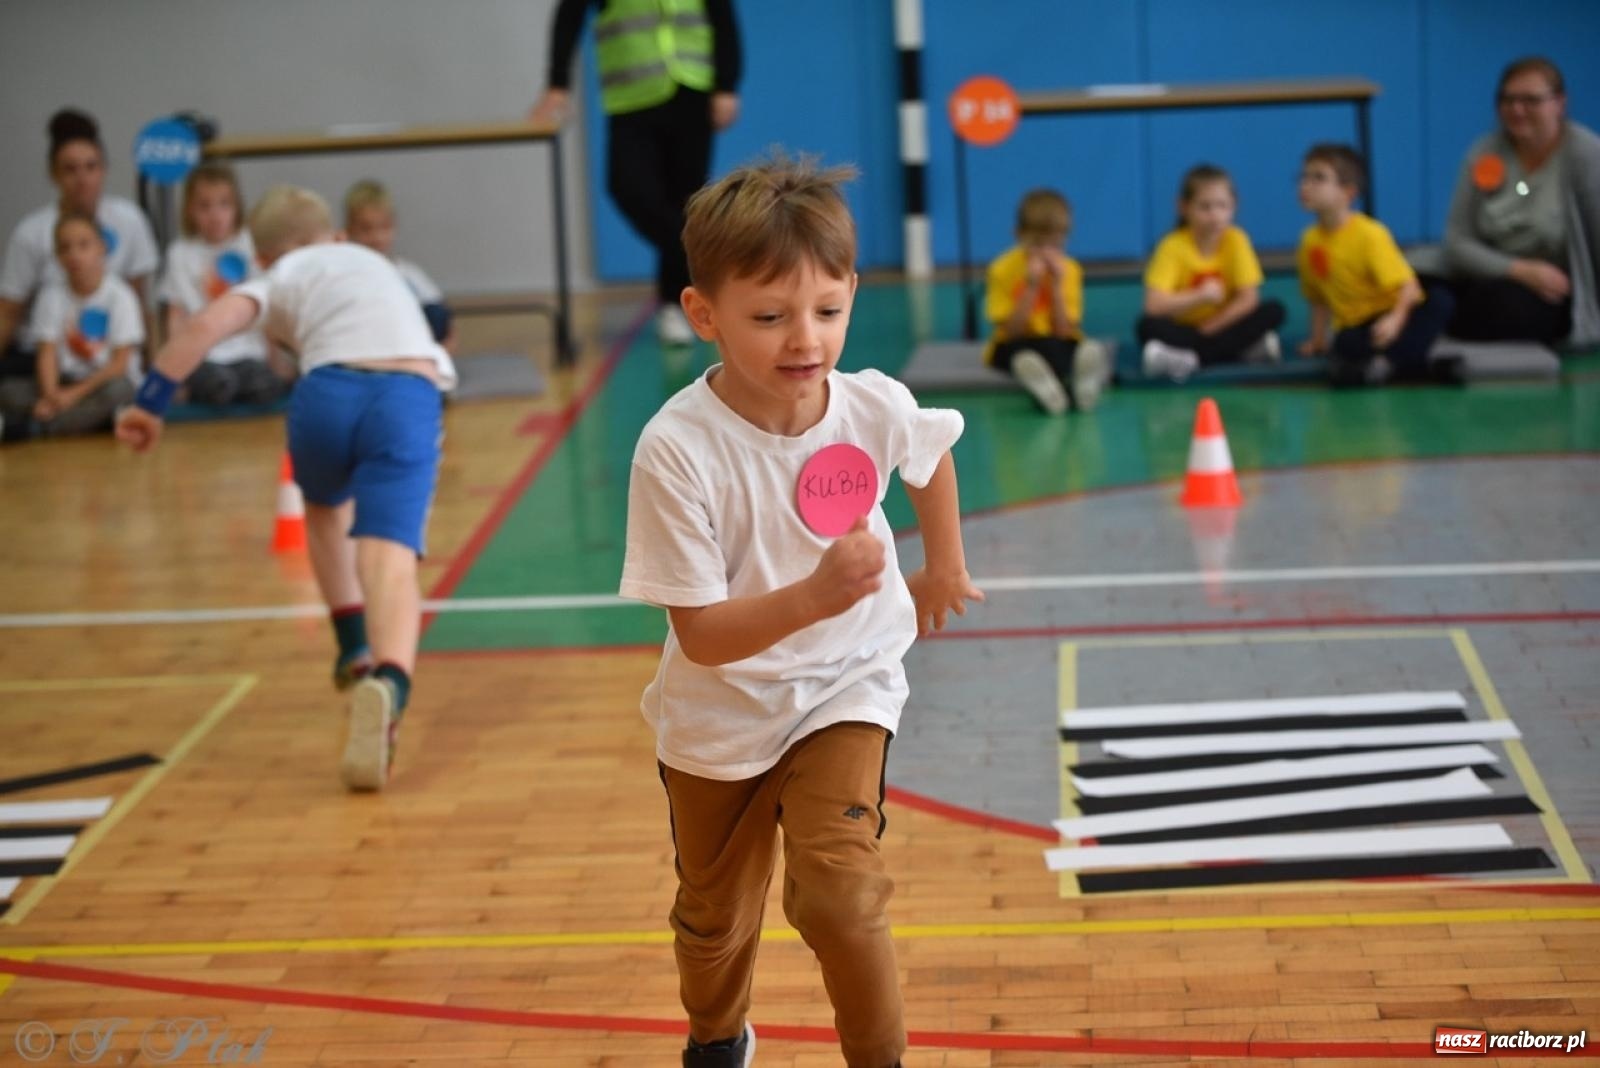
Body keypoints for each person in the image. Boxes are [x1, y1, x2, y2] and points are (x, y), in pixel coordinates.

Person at [618, 155, 982, 1068]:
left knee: (839, 895)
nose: (804, 340)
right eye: (770, 317)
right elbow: (701, 635)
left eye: (826, 311)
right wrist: (814, 593)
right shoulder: (675, 451)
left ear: (853, 293)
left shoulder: (868, 405)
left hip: (845, 685)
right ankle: (718, 1036)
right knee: (712, 921)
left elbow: (930, 453)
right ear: (704, 314)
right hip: (721, 710)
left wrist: (943, 567)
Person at [116, 186, 457, 793]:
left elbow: (204, 325)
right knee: (390, 556)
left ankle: (352, 645)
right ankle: (391, 681)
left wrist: (150, 404)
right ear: (335, 237)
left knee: (323, 509)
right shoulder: (375, 262)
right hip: (406, 391)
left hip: (324, 392)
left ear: (263, 254)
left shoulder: (274, 276)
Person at [531, 0, 741, 347]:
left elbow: (722, 17)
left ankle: (674, 303)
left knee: (687, 202)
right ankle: (708, 257)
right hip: (631, 97)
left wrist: (727, 84)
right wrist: (558, 82)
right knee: (627, 187)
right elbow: (570, 14)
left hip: (692, 91)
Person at [1439, 56, 1600, 348]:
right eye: (1507, 100)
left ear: (1559, 103)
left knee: (1505, 308)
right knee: (1415, 287)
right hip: (1490, 275)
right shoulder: (1485, 152)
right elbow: (1457, 242)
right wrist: (1521, 271)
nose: (1517, 110)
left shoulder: (1585, 155)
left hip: (1556, 290)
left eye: (1531, 100)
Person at [0, 109, 158, 380]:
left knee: (117, 387)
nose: (82, 179)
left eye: (91, 166)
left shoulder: (129, 220)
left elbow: (139, 302)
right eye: (70, 169)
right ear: (54, 174)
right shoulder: (31, 232)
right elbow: (9, 312)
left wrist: (156, 368)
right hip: (47, 354)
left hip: (105, 353)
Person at [1296, 144, 1460, 386]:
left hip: (1392, 315)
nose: (1306, 185)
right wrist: (1318, 339)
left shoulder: (1370, 235)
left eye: (1319, 178)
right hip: (1357, 327)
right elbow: (1318, 297)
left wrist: (1395, 320)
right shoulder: (1309, 241)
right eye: (1304, 177)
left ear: (1348, 192)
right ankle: (1410, 368)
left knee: (1439, 301)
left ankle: (1384, 366)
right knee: (1345, 343)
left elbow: (1409, 287)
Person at [158, 162, 292, 407]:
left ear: (236, 206)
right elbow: (175, 316)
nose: (215, 215)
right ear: (189, 210)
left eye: (224, 204)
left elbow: (267, 305)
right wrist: (175, 375)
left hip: (247, 351)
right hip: (204, 355)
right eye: (204, 206)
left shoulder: (250, 244)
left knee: (264, 384)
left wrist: (276, 360)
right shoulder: (180, 252)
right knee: (219, 385)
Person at [0, 215, 142, 441]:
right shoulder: (51, 296)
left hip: (100, 383)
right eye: (65, 247)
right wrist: (51, 396)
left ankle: (38, 429)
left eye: (83, 245)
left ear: (102, 248)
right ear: (57, 256)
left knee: (121, 391)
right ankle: (86, 422)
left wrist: (71, 397)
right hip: (65, 380)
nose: (74, 254)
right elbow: (47, 353)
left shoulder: (121, 296)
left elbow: (119, 365)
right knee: (8, 390)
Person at [1137, 163, 1286, 377]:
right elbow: (1153, 305)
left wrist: (1212, 326)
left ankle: (1190, 359)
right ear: (1183, 207)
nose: (1215, 215)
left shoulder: (1237, 240)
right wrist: (1199, 297)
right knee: (1147, 326)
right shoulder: (1172, 245)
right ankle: (1241, 351)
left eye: (1222, 206)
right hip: (1186, 328)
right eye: (1205, 207)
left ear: (1234, 206)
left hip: (1224, 324)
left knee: (1274, 310)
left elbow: (1248, 299)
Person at [982, 188, 1108, 415]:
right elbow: (1011, 332)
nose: (1047, 253)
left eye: (1055, 246)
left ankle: (1079, 385)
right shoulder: (1001, 269)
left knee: (1066, 347)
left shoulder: (1070, 270)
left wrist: (1057, 286)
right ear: (1018, 235)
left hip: (1056, 339)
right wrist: (1031, 286)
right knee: (1019, 355)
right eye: (1038, 245)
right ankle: (1048, 387)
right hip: (1017, 342)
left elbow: (1063, 330)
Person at [343, 179, 456, 353]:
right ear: (349, 230)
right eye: (366, 229)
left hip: (413, 350)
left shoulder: (408, 273)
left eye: (384, 227)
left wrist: (439, 356)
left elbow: (445, 326)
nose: (377, 237)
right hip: (368, 347)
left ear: (394, 226)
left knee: (436, 312)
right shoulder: (344, 275)